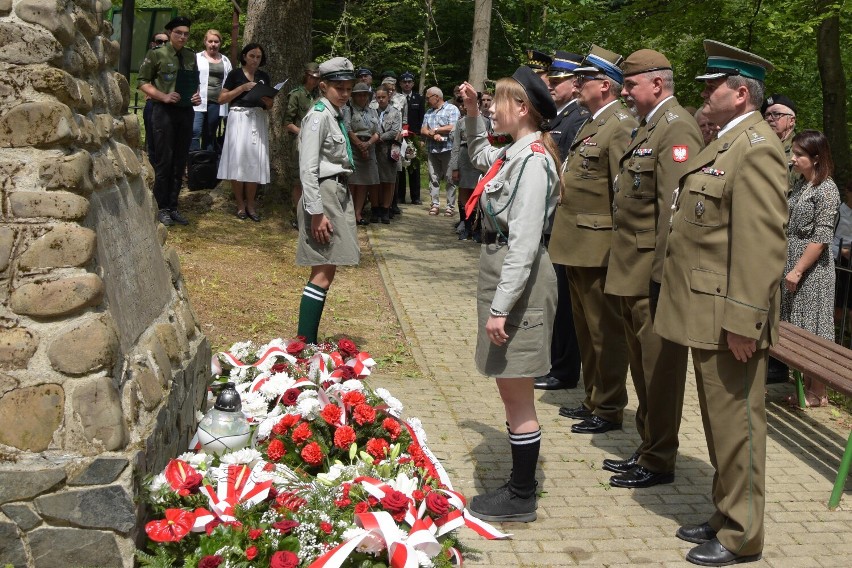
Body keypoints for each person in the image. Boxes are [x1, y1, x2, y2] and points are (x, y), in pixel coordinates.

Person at [654, 40, 787, 567]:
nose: (703, 93)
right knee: (717, 423)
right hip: (705, 309)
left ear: (740, 92)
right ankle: (725, 511)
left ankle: (743, 534)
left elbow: (761, 246)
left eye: (713, 86)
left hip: (729, 315)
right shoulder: (728, 142)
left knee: (739, 427)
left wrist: (744, 321)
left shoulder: (755, 147)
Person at [457, 65, 559, 523]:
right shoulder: (513, 153)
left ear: (522, 107)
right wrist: (472, 113)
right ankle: (519, 485)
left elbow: (524, 242)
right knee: (509, 391)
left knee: (517, 395)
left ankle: (521, 496)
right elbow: (479, 156)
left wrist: (501, 307)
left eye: (497, 101)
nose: (492, 107)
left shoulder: (533, 161)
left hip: (519, 286)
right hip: (502, 277)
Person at [603, 49, 703, 489]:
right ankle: (649, 445)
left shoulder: (677, 127)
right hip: (630, 268)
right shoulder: (648, 125)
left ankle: (660, 457)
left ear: (657, 84)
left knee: (659, 371)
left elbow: (673, 212)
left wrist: (662, 279)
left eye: (630, 84)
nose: (624, 91)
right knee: (643, 368)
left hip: (650, 273)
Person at [548, 45, 636, 434]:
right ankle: (593, 397)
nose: (577, 83)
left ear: (606, 85)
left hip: (598, 247)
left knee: (605, 332)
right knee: (585, 330)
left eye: (585, 78)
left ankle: (610, 405)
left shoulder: (619, 124)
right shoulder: (591, 121)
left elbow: (623, 194)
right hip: (576, 243)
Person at [296, 57, 359, 344]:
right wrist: (316, 212)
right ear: (323, 86)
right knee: (322, 269)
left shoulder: (335, 114)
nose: (345, 94)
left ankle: (308, 340)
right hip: (324, 195)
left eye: (348, 88)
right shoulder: (318, 116)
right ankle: (304, 343)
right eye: (339, 88)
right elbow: (308, 168)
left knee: (328, 267)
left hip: (336, 193)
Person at [534, 50, 587, 392]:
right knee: (556, 297)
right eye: (550, 81)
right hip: (554, 220)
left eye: (557, 81)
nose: (551, 87)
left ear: (574, 83)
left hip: (565, 221)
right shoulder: (560, 116)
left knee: (566, 302)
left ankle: (564, 368)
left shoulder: (578, 118)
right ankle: (556, 363)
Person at [781, 130, 840, 407]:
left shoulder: (827, 189)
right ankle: (805, 387)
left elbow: (821, 238)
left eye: (799, 155)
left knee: (815, 329)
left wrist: (798, 270)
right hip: (795, 262)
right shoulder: (803, 185)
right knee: (799, 326)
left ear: (816, 158)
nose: (793, 159)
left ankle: (819, 392)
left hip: (813, 271)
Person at [138, 16, 201, 227]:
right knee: (164, 160)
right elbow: (142, 82)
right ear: (170, 33)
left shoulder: (191, 56)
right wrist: (163, 96)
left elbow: (194, 83)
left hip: (185, 111)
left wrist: (197, 96)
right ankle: (160, 207)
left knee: (179, 160)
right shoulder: (157, 54)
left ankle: (173, 206)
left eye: (186, 33)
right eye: (178, 33)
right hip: (163, 111)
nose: (182, 37)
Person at [216, 43, 273, 222]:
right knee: (238, 160)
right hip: (239, 118)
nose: (255, 60)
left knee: (254, 162)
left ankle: (251, 205)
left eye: (258, 57)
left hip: (257, 118)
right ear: (244, 56)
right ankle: (240, 205)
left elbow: (270, 105)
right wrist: (242, 88)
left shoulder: (264, 77)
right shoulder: (235, 75)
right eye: (252, 56)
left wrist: (266, 99)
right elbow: (221, 99)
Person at [284, 62, 322, 226]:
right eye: (312, 77)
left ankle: (313, 213)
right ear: (306, 76)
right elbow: (287, 123)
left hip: (319, 143)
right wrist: (304, 133)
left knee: (316, 178)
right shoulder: (297, 95)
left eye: (317, 78)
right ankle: (298, 215)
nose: (314, 81)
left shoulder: (319, 96)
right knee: (298, 179)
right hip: (301, 142)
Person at [344, 82, 380, 225]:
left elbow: (378, 131)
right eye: (359, 94)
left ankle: (358, 213)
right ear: (353, 96)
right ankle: (350, 213)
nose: (362, 97)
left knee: (364, 182)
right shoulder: (348, 110)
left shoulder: (373, 111)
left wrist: (368, 144)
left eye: (365, 94)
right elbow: (347, 129)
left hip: (370, 147)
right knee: (352, 181)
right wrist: (360, 145)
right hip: (354, 148)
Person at [421, 87, 460, 216]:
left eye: (428, 97)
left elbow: (454, 126)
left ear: (436, 97)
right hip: (432, 149)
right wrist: (433, 135)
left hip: (448, 149)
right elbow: (423, 130)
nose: (427, 100)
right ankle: (435, 204)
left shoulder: (452, 109)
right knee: (433, 178)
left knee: (450, 179)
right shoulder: (428, 112)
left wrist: (437, 130)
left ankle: (450, 206)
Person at [191, 29, 232, 152]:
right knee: (195, 132)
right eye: (210, 41)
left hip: (216, 103)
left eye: (216, 41)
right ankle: (194, 163)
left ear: (220, 43)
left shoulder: (225, 60)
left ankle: (207, 165)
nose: (213, 44)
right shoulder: (197, 58)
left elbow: (229, 81)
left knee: (210, 134)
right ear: (205, 42)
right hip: (198, 102)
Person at [448, 98, 479, 240]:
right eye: (464, 105)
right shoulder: (460, 123)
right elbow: (455, 146)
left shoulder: (485, 121)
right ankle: (466, 226)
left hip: (480, 160)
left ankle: (476, 227)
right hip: (464, 159)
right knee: (465, 194)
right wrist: (454, 167)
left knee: (478, 194)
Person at [374, 85, 402, 224]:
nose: (381, 100)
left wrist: (379, 137)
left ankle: (386, 208)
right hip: (375, 150)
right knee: (377, 181)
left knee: (389, 181)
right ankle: (376, 208)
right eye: (378, 97)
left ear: (388, 97)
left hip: (389, 149)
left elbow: (395, 130)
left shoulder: (395, 112)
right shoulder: (372, 112)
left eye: (383, 97)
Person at [397, 71, 424, 205]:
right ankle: (400, 196)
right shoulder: (396, 98)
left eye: (409, 82)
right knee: (400, 166)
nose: (407, 84)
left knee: (414, 167)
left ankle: (415, 196)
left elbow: (422, 119)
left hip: (414, 136)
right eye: (404, 82)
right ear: (400, 83)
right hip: (400, 135)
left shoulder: (419, 99)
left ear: (413, 83)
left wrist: (421, 138)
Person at [142, 31, 169, 163]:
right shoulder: (150, 57)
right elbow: (143, 81)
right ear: (153, 44)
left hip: (169, 105)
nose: (163, 44)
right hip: (153, 104)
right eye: (159, 41)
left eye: (166, 42)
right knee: (153, 142)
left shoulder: (172, 58)